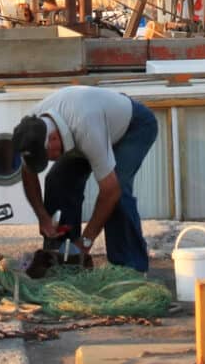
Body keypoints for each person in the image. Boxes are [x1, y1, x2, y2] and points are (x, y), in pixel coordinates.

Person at [10, 86, 158, 272]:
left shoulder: (85, 126)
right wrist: (43, 217)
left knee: (118, 194)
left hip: (132, 126)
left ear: (54, 138)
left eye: (47, 156)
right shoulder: (30, 129)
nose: (47, 160)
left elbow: (110, 191)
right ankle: (63, 260)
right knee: (57, 181)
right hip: (88, 127)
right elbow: (28, 173)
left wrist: (86, 241)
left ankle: (129, 269)